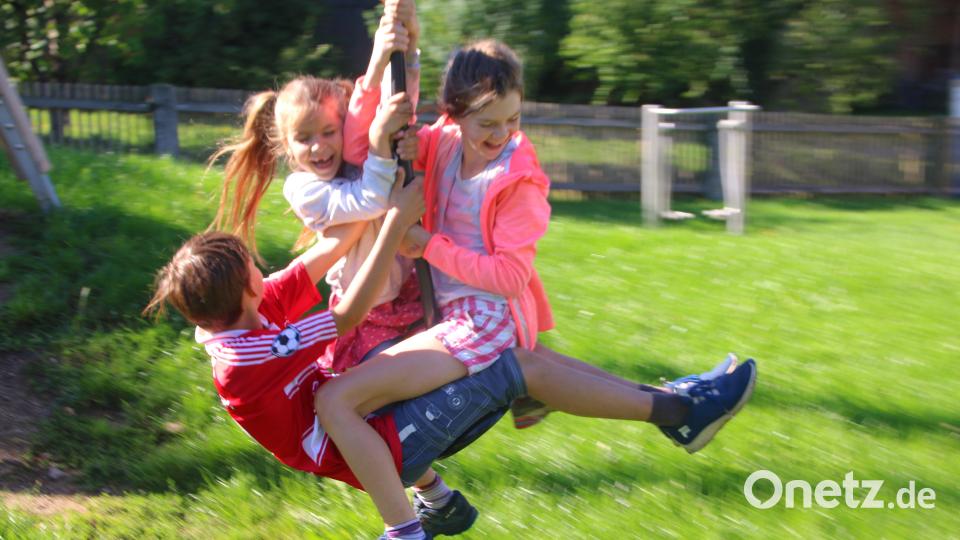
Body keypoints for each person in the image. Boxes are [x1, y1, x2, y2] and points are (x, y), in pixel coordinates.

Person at [309, 39, 759, 538]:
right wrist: (393, 74)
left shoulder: (515, 179)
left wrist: (426, 245)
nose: (502, 134)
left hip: (485, 319)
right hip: (461, 318)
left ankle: (409, 520)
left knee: (347, 396)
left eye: (513, 120)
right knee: (532, 366)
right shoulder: (443, 144)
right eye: (488, 124)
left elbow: (509, 277)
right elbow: (381, 133)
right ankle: (681, 403)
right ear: (454, 114)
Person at [208, 0, 423, 374]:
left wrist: (403, 50)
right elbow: (369, 199)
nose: (320, 146)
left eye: (328, 132)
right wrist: (379, 137)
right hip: (367, 311)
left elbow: (393, 107)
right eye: (304, 138)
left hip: (409, 291)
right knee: (399, 385)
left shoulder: (354, 160)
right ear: (285, 146)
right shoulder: (303, 188)